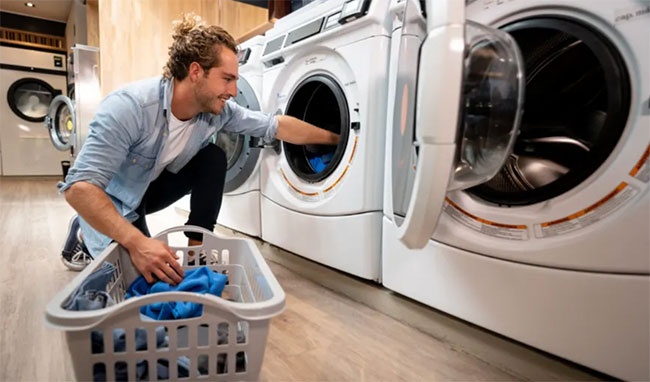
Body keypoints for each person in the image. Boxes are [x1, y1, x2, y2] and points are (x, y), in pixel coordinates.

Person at [58, 14, 339, 284]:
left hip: (149, 191)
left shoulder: (217, 112)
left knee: (212, 157)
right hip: (116, 201)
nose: (233, 89)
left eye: (236, 80)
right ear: (195, 72)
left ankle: (196, 253)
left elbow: (274, 126)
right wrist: (136, 242)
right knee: (142, 281)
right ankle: (84, 231)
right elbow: (79, 188)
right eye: (227, 79)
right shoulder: (130, 107)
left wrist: (337, 139)